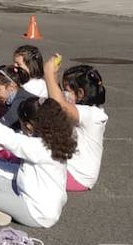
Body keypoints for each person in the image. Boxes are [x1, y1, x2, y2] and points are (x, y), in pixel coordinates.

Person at [0, 96, 74, 228]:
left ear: (28, 126)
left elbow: (11, 138)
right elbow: (24, 172)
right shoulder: (54, 141)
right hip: (35, 200)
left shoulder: (38, 147)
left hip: (36, 213)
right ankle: (2, 209)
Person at [46, 55, 109, 192]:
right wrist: (55, 76)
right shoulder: (84, 110)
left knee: (33, 169)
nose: (63, 93)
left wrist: (48, 74)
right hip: (71, 169)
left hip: (78, 176)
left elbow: (60, 105)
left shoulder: (93, 115)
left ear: (80, 93)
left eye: (66, 90)